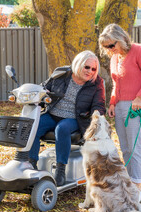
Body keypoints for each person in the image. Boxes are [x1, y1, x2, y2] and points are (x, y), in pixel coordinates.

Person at [28, 50, 106, 186]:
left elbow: (99, 106)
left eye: (93, 69)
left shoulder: (97, 83)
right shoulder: (62, 74)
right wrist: (42, 93)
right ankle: (31, 166)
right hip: (53, 114)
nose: (90, 71)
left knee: (62, 128)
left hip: (75, 119)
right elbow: (43, 88)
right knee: (33, 125)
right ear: (78, 64)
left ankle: (60, 171)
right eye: (87, 67)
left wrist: (96, 120)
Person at [98, 23, 141, 190]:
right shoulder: (115, 58)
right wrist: (112, 103)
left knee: (135, 147)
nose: (110, 49)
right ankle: (130, 183)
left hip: (137, 106)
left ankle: (137, 188)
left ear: (121, 39)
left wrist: (140, 98)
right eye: (106, 47)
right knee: (125, 147)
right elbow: (116, 84)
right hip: (119, 106)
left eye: (112, 45)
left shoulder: (140, 51)